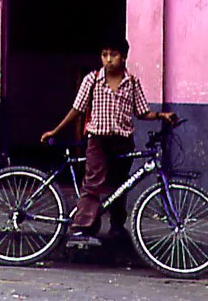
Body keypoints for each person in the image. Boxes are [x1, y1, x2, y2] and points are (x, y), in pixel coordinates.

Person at [40, 37, 176, 243]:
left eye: (113, 55)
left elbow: (141, 112)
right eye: (104, 55)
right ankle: (81, 228)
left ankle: (117, 226)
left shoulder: (131, 82)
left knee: (121, 185)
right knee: (93, 184)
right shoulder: (92, 79)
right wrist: (56, 131)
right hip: (97, 141)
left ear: (124, 57)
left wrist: (160, 116)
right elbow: (77, 109)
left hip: (122, 141)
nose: (108, 60)